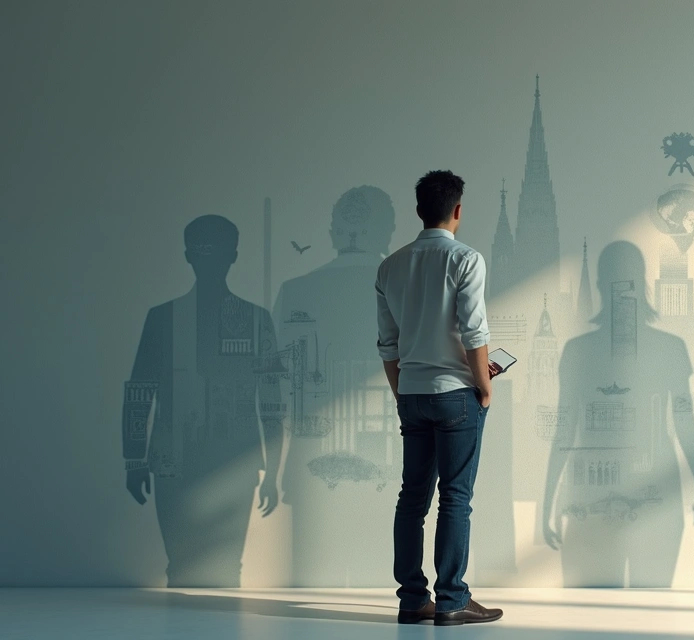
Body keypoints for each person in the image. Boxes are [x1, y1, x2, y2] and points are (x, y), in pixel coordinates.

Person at [122, 215, 284, 587]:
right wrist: (272, 472)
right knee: (199, 565)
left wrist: (134, 460)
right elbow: (140, 391)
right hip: (200, 458)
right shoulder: (250, 320)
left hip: (209, 458)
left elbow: (139, 393)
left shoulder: (167, 318)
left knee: (195, 564)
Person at [540, 241, 694, 587]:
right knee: (650, 605)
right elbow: (684, 421)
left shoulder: (578, 350)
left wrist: (547, 503)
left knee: (595, 613)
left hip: (601, 493)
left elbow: (564, 432)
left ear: (602, 284)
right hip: (648, 493)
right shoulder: (670, 347)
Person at [376, 170, 502, 625]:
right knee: (455, 498)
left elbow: (388, 343)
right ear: (458, 210)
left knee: (412, 498)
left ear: (418, 211)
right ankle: (451, 601)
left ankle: (412, 600)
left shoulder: (390, 265)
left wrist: (401, 392)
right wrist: (484, 388)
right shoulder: (467, 260)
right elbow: (474, 331)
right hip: (456, 396)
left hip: (411, 392)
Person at [275, 186, 398, 587]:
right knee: (383, 576)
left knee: (313, 577)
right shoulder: (406, 291)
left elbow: (278, 384)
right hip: (390, 454)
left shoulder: (295, 291)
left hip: (311, 459)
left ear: (332, 231)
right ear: (388, 231)